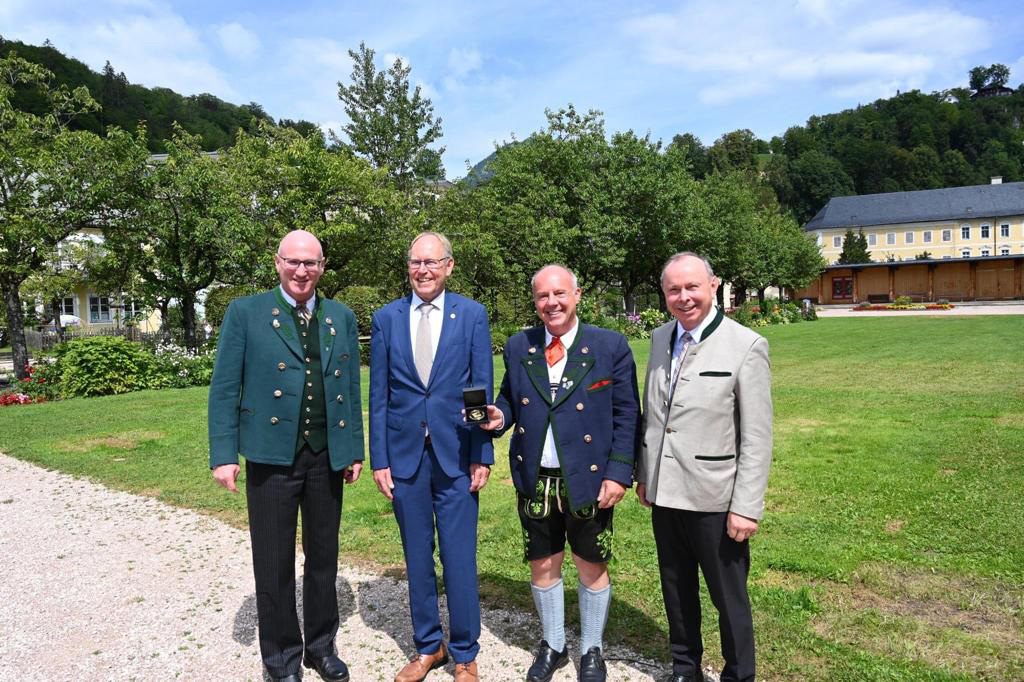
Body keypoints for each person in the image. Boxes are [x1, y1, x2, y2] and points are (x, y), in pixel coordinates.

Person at [208, 230, 363, 682]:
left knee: (323, 559)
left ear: (322, 266)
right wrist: (224, 453)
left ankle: (320, 647)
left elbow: (349, 390)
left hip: (325, 454)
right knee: (273, 561)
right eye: (293, 262)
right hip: (271, 455)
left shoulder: (339, 317)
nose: (302, 271)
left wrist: (353, 447)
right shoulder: (246, 312)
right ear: (277, 263)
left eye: (310, 263)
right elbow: (224, 388)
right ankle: (280, 658)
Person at [479, 264, 640, 682]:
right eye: (542, 296)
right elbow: (509, 400)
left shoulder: (609, 346)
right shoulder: (519, 346)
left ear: (577, 294)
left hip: (588, 480)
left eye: (558, 294)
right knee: (542, 564)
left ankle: (592, 649)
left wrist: (619, 473)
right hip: (536, 477)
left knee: (591, 565)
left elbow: (627, 416)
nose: (550, 303)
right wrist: (499, 416)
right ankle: (553, 643)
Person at [635, 252, 773, 682]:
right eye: (674, 289)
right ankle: (685, 667)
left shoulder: (746, 345)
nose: (683, 297)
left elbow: (756, 436)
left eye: (692, 286)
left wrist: (746, 506)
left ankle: (738, 674)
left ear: (713, 285)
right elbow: (652, 414)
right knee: (676, 590)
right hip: (665, 492)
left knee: (728, 599)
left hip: (716, 497)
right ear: (664, 294)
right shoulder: (660, 339)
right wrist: (644, 473)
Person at [369, 231, 493, 682]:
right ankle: (428, 646)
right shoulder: (386, 318)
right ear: (408, 267)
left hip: (457, 454)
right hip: (405, 458)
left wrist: (482, 453)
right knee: (417, 556)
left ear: (449, 265)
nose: (423, 270)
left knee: (459, 557)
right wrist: (379, 458)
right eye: (415, 262)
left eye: (431, 262)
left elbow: (480, 386)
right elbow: (379, 395)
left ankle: (464, 652)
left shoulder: (472, 315)